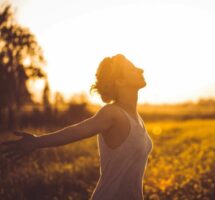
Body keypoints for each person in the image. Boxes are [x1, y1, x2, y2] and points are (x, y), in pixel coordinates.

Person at [1, 54, 153, 200]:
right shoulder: (112, 113)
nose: (141, 70)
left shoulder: (137, 118)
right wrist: (36, 142)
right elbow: (77, 130)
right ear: (120, 81)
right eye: (132, 69)